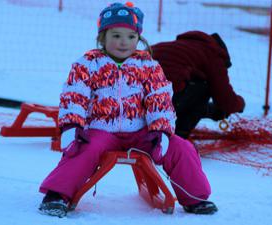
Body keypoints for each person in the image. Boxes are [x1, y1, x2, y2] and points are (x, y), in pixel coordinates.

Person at [38, 2, 217, 218]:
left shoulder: (148, 66)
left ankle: (195, 198)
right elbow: (75, 95)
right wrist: (71, 126)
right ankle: (58, 194)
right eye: (116, 35)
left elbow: (159, 99)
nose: (124, 42)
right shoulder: (88, 64)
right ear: (102, 37)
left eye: (131, 37)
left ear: (138, 38)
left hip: (142, 133)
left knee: (181, 147)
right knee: (84, 148)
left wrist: (160, 131)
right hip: (101, 130)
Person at [151, 31, 245, 139]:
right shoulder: (212, 53)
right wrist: (240, 104)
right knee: (205, 86)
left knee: (191, 85)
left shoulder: (176, 47)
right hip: (164, 98)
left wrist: (213, 111)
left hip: (137, 99)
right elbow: (225, 100)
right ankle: (178, 136)